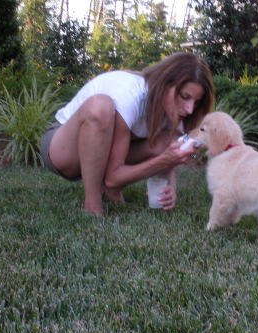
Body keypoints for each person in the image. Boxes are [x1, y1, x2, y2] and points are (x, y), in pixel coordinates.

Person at [40, 53, 214, 216]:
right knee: (100, 107)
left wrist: (169, 182)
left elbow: (166, 149)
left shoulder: (175, 111)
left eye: (196, 102)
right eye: (184, 96)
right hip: (63, 151)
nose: (190, 108)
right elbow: (113, 177)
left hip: (101, 156)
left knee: (168, 139)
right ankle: (92, 204)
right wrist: (162, 161)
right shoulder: (130, 93)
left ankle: (110, 192)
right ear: (165, 84)